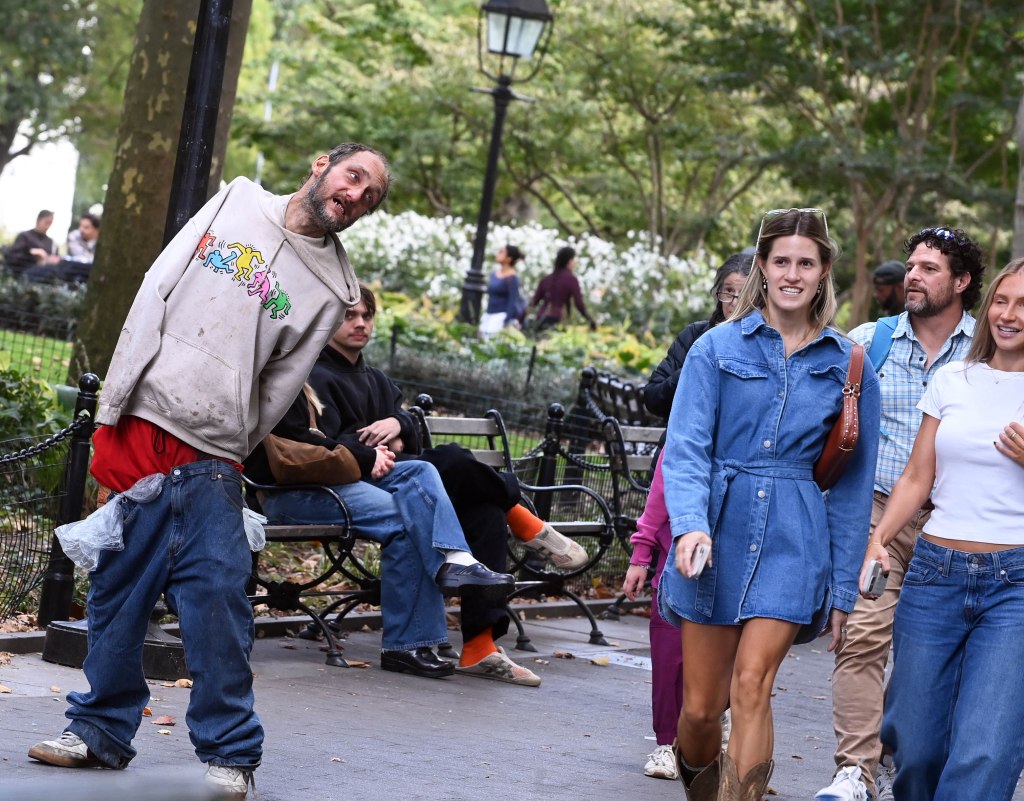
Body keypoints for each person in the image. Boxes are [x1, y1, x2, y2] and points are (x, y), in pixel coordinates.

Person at [27, 142, 393, 799]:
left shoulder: (334, 288)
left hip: (214, 452)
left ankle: (231, 752)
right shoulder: (236, 200)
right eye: (353, 176)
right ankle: (99, 732)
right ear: (319, 165)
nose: (358, 194)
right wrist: (115, 403)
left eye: (372, 195)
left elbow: (281, 385)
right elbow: (156, 288)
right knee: (118, 589)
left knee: (218, 601)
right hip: (144, 422)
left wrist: (230, 438)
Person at [658, 208, 880, 800]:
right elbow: (684, 451)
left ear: (823, 271)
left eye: (805, 263)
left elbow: (854, 491)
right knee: (703, 711)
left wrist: (840, 590)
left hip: (793, 535)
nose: (792, 273)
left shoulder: (848, 366)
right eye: (781, 261)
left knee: (752, 684)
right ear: (762, 266)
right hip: (716, 533)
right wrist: (688, 527)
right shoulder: (715, 348)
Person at [308, 285, 588, 686]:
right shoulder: (316, 375)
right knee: (453, 459)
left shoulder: (378, 380)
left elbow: (415, 440)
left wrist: (399, 424)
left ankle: (479, 646)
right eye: (350, 316)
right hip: (364, 481)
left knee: (483, 509)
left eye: (367, 316)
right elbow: (331, 443)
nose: (360, 324)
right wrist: (391, 437)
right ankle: (523, 519)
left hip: (410, 478)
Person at [817, 226, 981, 801]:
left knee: (924, 657)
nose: (912, 276)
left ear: (960, 282)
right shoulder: (869, 341)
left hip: (956, 524)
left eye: (929, 268)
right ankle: (854, 771)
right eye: (911, 266)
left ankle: (891, 750)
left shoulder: (988, 349)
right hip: (876, 516)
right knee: (862, 634)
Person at [860, 257, 1024, 801]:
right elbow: (916, 475)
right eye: (1002, 301)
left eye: (1023, 305)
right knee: (917, 746)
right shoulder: (954, 378)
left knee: (985, 749)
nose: (1009, 314)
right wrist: (879, 539)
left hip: (1015, 585)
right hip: (935, 574)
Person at [245, 382, 515, 680]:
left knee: (421, 471)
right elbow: (297, 441)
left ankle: (457, 559)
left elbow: (326, 440)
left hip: (329, 478)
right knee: (406, 518)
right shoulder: (274, 374)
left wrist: (389, 434)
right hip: (289, 492)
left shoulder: (307, 374)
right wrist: (366, 456)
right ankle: (407, 645)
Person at [623, 252, 753, 781]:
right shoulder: (699, 343)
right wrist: (642, 548)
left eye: (745, 293)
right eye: (727, 292)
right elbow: (668, 469)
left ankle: (710, 729)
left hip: (745, 517)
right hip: (683, 512)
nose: (734, 303)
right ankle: (666, 738)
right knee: (668, 628)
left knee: (734, 641)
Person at [528, 246, 597, 333]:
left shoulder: (546, 279)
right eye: (573, 260)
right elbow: (579, 304)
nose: (575, 263)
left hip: (541, 319)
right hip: (558, 320)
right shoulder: (571, 279)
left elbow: (533, 302)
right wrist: (590, 320)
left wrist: (520, 320)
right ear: (569, 261)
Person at [25, 213, 101, 285]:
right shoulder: (74, 237)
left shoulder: (102, 244)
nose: (81, 230)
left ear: (97, 230)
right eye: (80, 226)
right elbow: (80, 257)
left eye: (86, 227)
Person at [478, 244, 526, 337]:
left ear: (509, 258)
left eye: (501, 252)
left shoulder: (512, 278)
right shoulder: (493, 274)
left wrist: (506, 321)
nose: (498, 254)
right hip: (489, 315)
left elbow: (513, 300)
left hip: (500, 317)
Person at [5, 209, 61, 277]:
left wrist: (51, 260)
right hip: (25, 272)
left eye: (50, 224)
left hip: (47, 273)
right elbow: (12, 258)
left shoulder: (51, 243)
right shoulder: (25, 236)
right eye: (46, 222)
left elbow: (56, 259)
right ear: (38, 220)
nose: (48, 226)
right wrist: (32, 254)